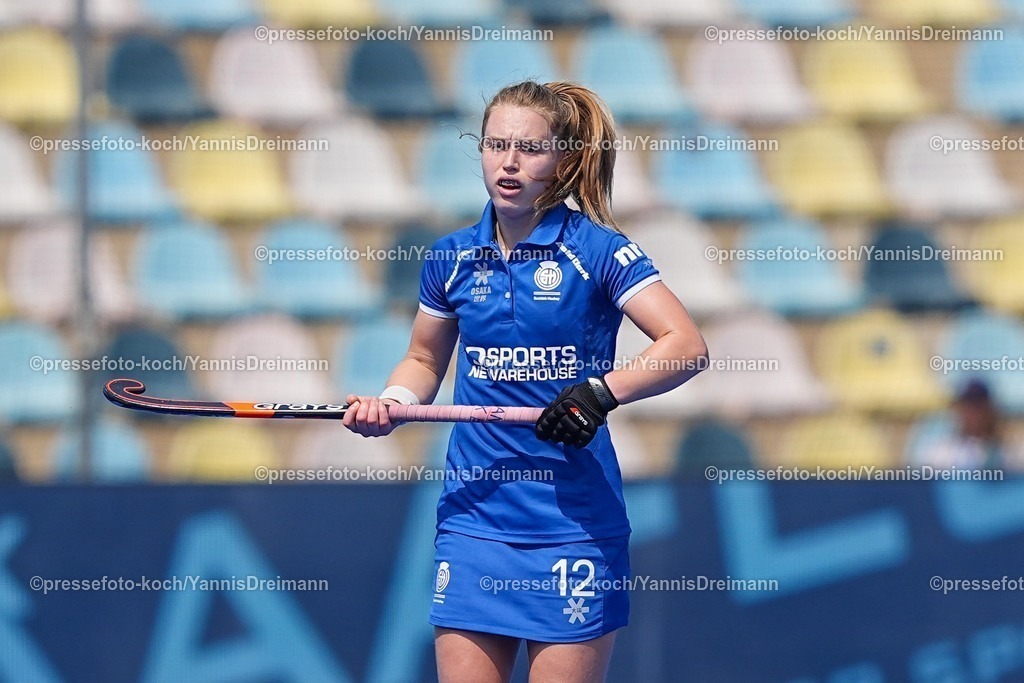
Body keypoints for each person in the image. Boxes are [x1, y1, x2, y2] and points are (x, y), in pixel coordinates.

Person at [343, 80, 708, 683]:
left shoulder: (599, 251)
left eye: (530, 149)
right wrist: (393, 402)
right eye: (496, 145)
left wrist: (599, 394)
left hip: (573, 527)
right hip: (474, 520)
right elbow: (424, 360)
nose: (509, 163)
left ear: (563, 161)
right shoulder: (450, 258)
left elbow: (685, 347)